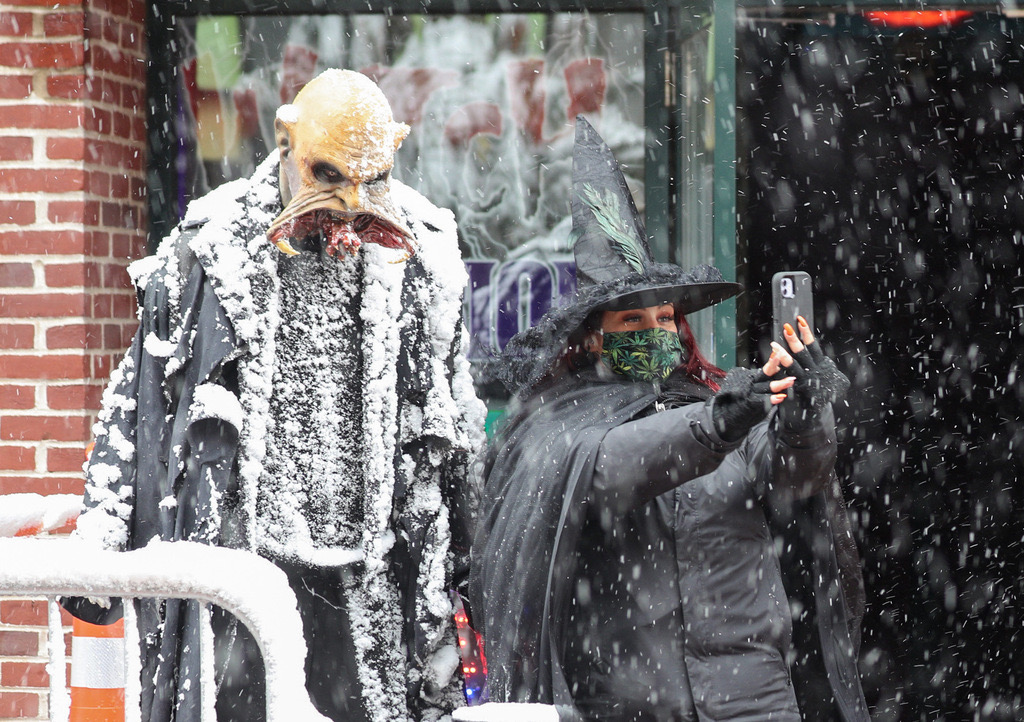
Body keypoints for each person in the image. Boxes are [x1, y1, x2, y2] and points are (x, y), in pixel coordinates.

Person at [67, 69, 485, 722]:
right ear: (285, 141)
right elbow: (137, 395)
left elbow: (455, 416)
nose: (351, 203)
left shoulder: (426, 256)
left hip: (373, 576)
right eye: (328, 174)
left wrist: (470, 569)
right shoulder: (210, 250)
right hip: (244, 573)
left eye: (371, 177)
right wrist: (99, 545)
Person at [466, 118, 868, 721]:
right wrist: (716, 425)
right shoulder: (558, 426)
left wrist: (804, 410)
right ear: (592, 341)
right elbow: (605, 468)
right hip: (630, 707)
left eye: (663, 319)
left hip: (755, 703)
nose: (655, 332)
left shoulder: (731, 395)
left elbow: (795, 479)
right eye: (632, 323)